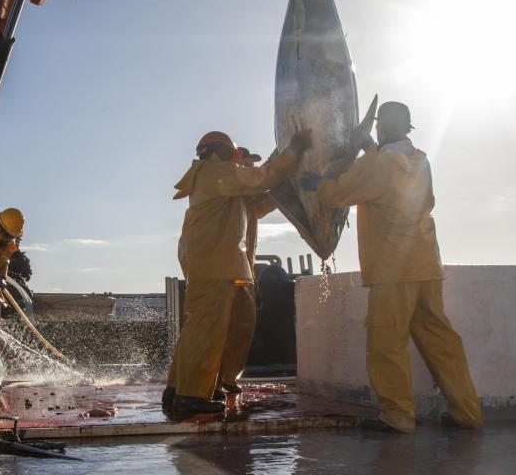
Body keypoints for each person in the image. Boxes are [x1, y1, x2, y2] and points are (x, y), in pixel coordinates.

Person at [301, 101, 483, 433]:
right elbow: (386, 168)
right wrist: (368, 147)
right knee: (441, 342)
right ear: (407, 128)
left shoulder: (379, 165)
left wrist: (319, 181)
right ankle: (466, 412)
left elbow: (337, 194)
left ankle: (398, 415)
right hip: (426, 265)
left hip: (392, 268)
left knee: (387, 343)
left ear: (380, 128)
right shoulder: (419, 160)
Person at [164, 129, 312, 415]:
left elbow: (258, 203)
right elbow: (262, 179)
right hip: (213, 265)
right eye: (239, 158)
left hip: (229, 266)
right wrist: (292, 151)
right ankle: (191, 396)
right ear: (219, 153)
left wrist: (286, 184)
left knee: (235, 325)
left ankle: (201, 384)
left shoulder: (228, 188)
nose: (244, 165)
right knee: (204, 330)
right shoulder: (214, 173)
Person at [215, 147, 280, 396]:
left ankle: (228, 377)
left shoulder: (247, 201)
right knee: (218, 327)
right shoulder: (226, 193)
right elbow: (261, 185)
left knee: (243, 325)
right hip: (221, 271)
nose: (252, 168)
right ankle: (209, 381)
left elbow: (267, 199)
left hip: (243, 272)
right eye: (247, 164)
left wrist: (286, 177)